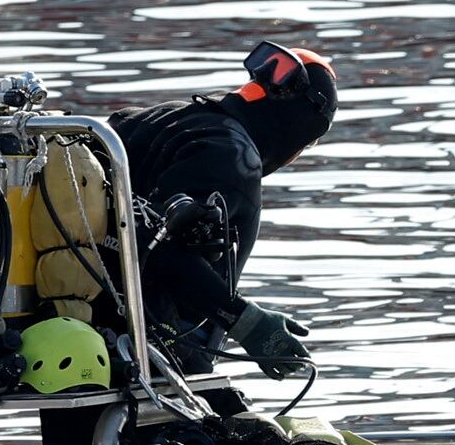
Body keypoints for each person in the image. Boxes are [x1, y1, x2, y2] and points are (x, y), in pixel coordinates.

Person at [109, 40, 337, 382]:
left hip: (76, 329)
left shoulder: (160, 117)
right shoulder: (233, 160)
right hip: (149, 356)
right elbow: (156, 249)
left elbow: (126, 229)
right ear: (299, 128)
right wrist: (247, 321)